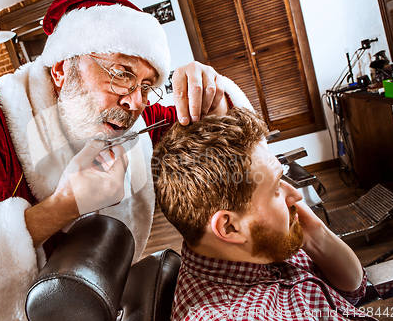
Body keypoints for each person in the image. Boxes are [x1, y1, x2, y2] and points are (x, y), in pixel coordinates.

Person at [0, 0, 253, 320]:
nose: (134, 102)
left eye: (146, 86)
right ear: (61, 69)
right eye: (121, 74)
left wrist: (211, 88)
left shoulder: (133, 117)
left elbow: (212, 126)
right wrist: (63, 206)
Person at [151, 108, 376, 321]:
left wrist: (315, 235)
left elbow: (352, 293)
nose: (296, 195)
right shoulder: (239, 314)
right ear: (229, 227)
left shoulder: (255, 243)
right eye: (277, 188)